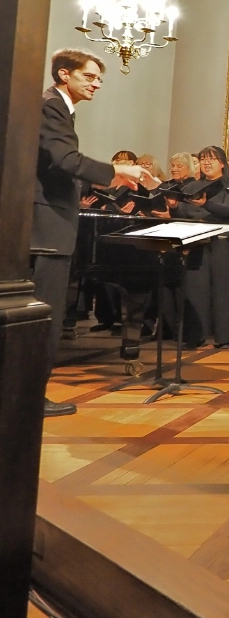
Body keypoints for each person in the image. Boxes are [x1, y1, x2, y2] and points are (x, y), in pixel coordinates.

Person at [33, 49, 148, 416]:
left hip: (47, 223)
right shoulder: (53, 105)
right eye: (89, 76)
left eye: (99, 78)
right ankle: (30, 397)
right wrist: (117, 170)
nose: (97, 83)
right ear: (64, 74)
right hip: (47, 225)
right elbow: (64, 160)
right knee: (43, 317)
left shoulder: (55, 105)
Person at [174, 146, 229, 349]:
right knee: (196, 290)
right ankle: (196, 336)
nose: (206, 163)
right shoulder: (194, 186)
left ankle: (225, 337)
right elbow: (186, 212)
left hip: (224, 243)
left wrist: (206, 205)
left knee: (224, 291)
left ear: (222, 163)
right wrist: (172, 207)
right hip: (198, 242)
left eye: (211, 159)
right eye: (203, 159)